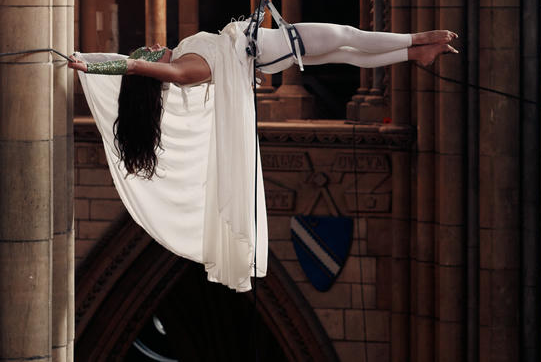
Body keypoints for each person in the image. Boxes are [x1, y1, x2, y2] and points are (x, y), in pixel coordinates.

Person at [70, 20, 458, 292]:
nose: (154, 46)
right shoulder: (183, 70)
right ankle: (418, 38)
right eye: (150, 53)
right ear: (153, 67)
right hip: (265, 48)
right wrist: (92, 67)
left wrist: (89, 57)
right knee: (344, 36)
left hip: (260, 46)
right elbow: (133, 66)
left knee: (343, 52)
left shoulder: (182, 56)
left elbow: (131, 61)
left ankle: (414, 54)